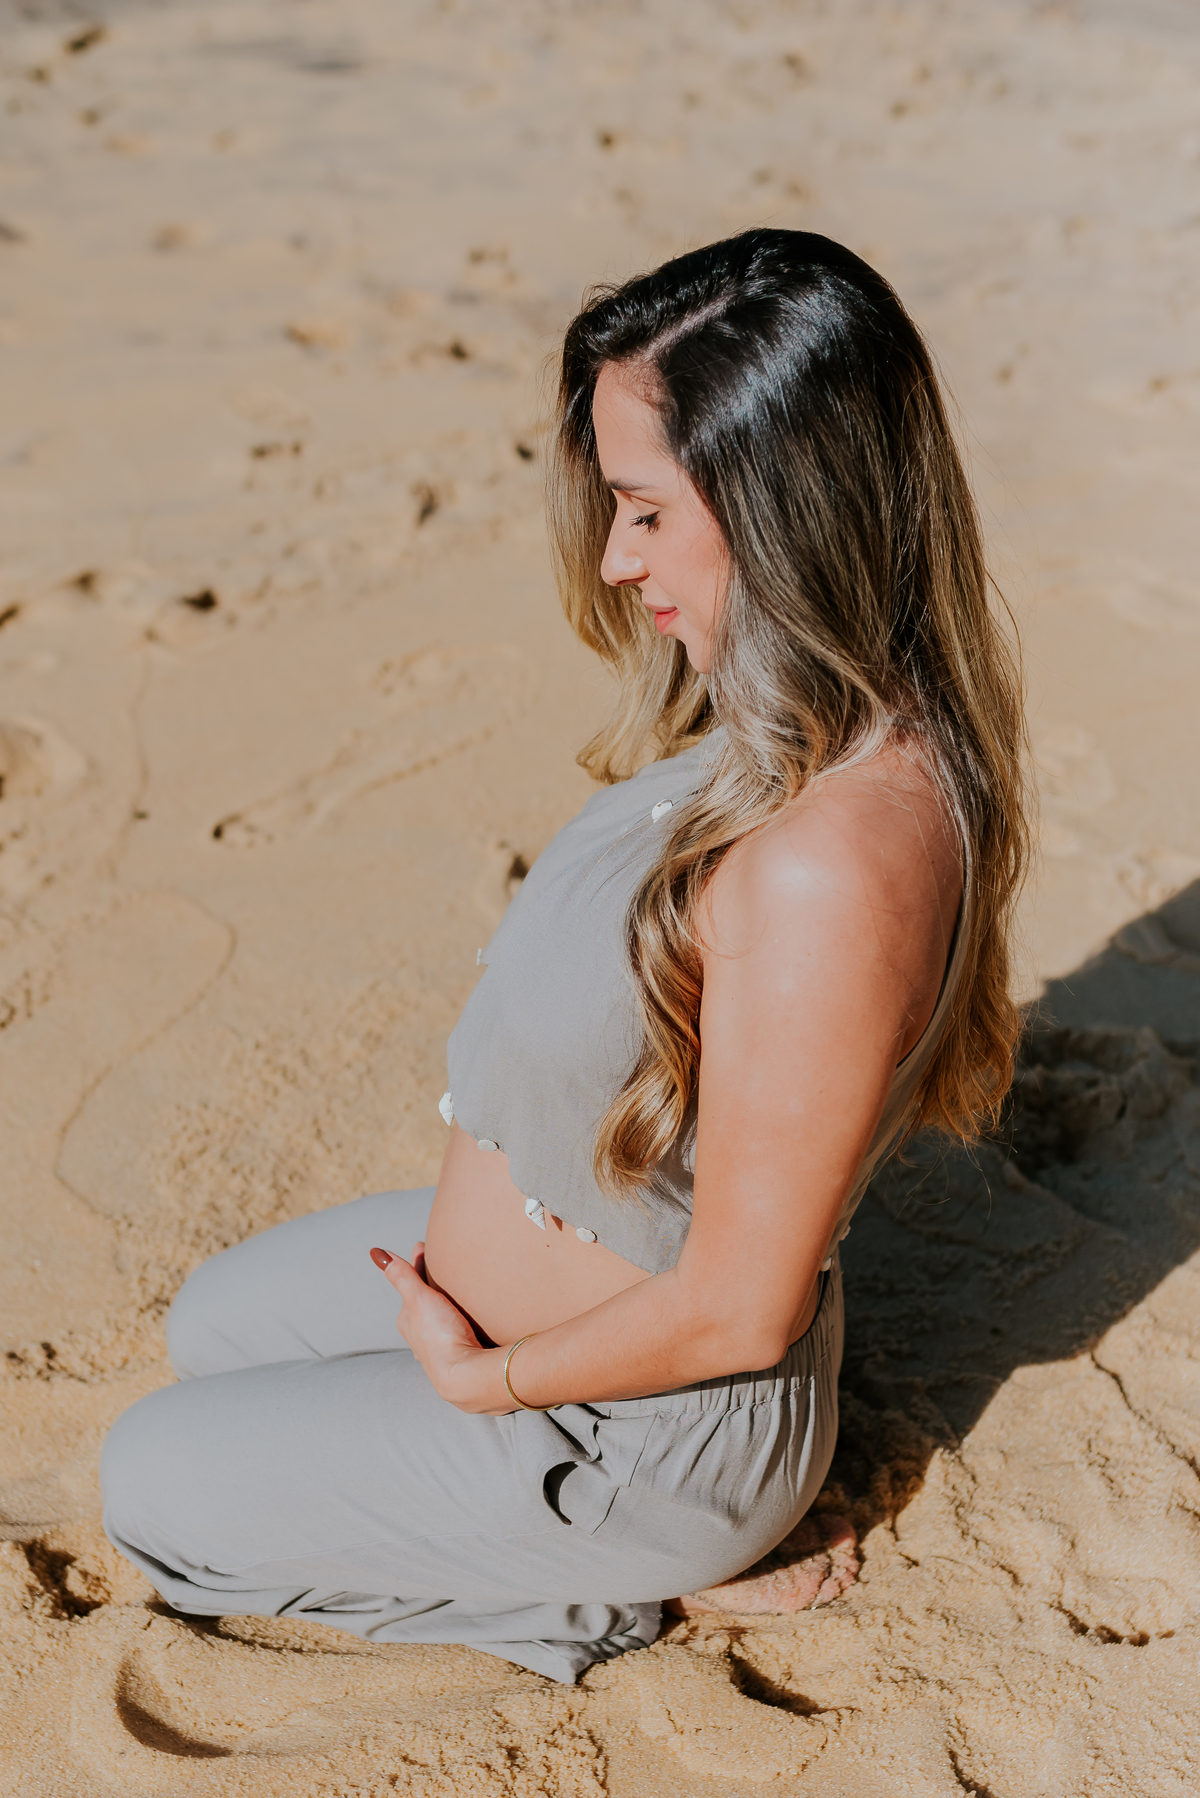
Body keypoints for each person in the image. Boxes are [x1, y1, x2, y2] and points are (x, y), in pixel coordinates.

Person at [102, 229, 1029, 1684]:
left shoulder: (829, 869)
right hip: (572, 1274)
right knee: (208, 1326)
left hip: (642, 1435)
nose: (614, 556)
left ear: (784, 506)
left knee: (147, 1486)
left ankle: (633, 1581)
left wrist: (488, 1375)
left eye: (649, 512)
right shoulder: (798, 706)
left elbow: (741, 1304)